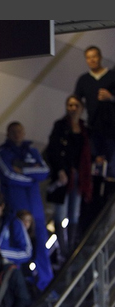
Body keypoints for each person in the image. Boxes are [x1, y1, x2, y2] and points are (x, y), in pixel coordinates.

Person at [0, 121, 53, 292]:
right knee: (18, 243)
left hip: (35, 205)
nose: (17, 134)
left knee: (40, 241)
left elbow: (44, 172)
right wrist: (31, 176)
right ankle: (19, 285)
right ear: (7, 134)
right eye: (13, 132)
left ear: (24, 132)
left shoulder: (33, 151)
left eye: (19, 131)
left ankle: (45, 283)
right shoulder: (2, 153)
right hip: (16, 205)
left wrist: (24, 171)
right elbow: (8, 175)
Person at [44, 95, 93, 260]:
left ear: (81, 108)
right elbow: (53, 149)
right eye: (70, 105)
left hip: (79, 176)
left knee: (74, 213)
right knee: (60, 213)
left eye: (76, 105)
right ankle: (63, 250)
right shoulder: (60, 126)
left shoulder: (84, 129)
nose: (72, 108)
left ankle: (71, 248)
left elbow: (86, 152)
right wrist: (59, 170)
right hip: (64, 175)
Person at [74, 45, 115, 232]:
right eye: (88, 57)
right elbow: (76, 101)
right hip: (94, 132)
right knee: (96, 173)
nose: (92, 60)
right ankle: (96, 211)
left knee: (111, 172)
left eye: (95, 57)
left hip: (112, 130)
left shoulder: (112, 76)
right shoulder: (83, 80)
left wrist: (111, 98)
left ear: (100, 57)